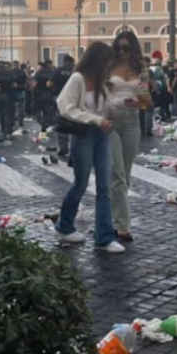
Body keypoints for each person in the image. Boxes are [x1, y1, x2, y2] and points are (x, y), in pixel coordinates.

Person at [54, 42, 124, 254]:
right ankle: (64, 226)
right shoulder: (77, 79)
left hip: (102, 134)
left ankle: (104, 237)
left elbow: (106, 107)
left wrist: (124, 103)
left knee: (104, 186)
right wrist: (94, 119)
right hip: (84, 134)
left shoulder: (103, 81)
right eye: (107, 60)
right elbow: (66, 106)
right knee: (81, 183)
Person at [108, 31, 148, 243]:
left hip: (132, 121)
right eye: (119, 48)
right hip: (111, 122)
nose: (122, 52)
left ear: (133, 49)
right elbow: (101, 95)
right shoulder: (107, 69)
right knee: (118, 173)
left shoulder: (141, 71)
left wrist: (138, 102)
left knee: (126, 173)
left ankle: (114, 215)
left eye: (127, 48)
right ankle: (123, 225)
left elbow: (146, 101)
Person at [48, 55, 75, 157]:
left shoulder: (59, 70)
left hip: (62, 99)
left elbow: (49, 84)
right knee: (75, 123)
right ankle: (74, 147)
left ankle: (63, 147)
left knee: (62, 123)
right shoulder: (77, 70)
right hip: (75, 100)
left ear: (64, 61)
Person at [0, 61, 15, 138]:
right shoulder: (9, 74)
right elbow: (14, 85)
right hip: (7, 95)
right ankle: (7, 131)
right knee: (7, 114)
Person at [32, 61, 54, 130]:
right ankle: (46, 124)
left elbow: (34, 84)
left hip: (39, 94)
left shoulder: (39, 73)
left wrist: (32, 90)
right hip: (48, 94)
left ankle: (42, 122)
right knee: (46, 110)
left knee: (36, 110)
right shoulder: (51, 73)